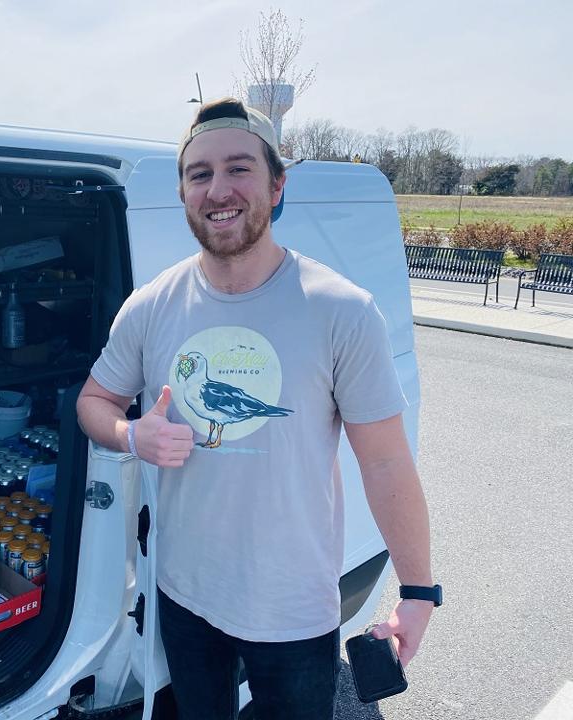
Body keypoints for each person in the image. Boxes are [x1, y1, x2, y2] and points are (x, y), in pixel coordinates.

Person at [75, 97, 438, 719]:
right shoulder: (152, 305)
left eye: (238, 168)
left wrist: (418, 591)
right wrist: (133, 436)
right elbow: (94, 400)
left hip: (294, 609)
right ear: (184, 192)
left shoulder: (341, 310)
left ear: (277, 185)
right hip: (183, 596)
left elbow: (384, 463)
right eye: (200, 174)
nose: (218, 189)